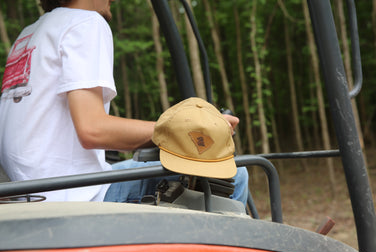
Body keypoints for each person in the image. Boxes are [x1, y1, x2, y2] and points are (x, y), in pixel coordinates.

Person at [0, 0, 248, 204]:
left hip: (30, 196)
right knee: (236, 174)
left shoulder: (28, 36)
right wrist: (188, 131)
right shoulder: (84, 22)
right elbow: (92, 130)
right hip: (78, 198)